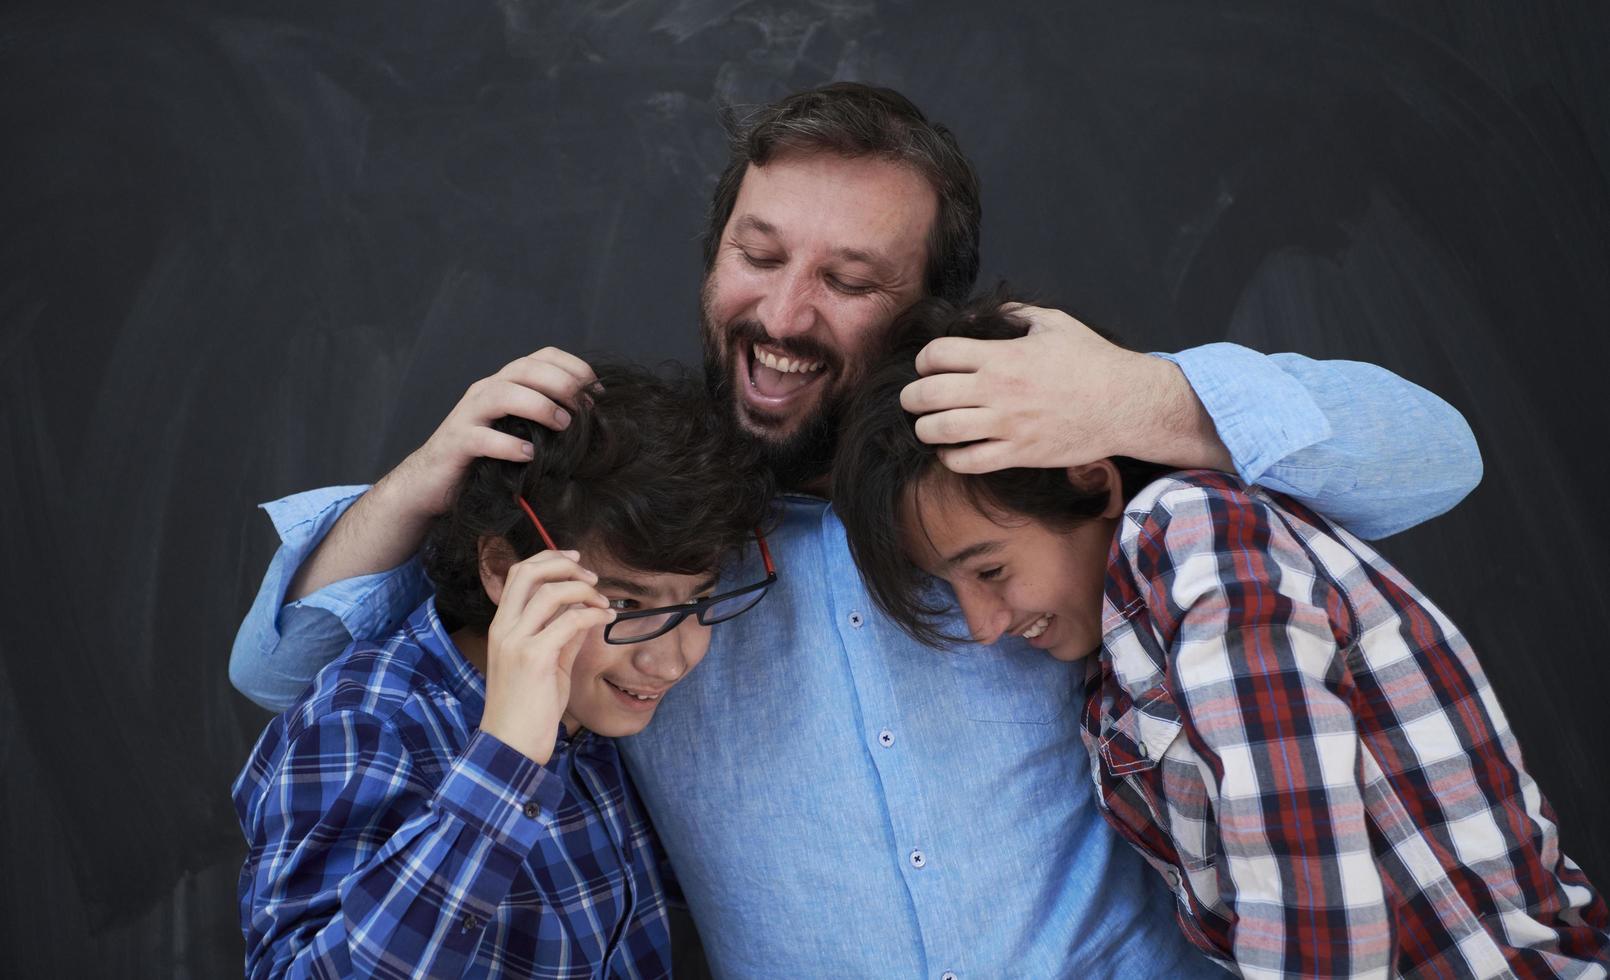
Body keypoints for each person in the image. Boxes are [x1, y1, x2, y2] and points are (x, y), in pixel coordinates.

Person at [229, 84, 1485, 975]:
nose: (781, 312)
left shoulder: (1043, 462)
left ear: (928, 305)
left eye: (849, 279)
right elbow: (284, 670)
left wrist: (1139, 394)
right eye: (756, 254)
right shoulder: (643, 521)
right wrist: (428, 475)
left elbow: (1439, 455)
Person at [831, 294, 1609, 977]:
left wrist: (1142, 394)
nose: (982, 626)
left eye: (991, 572)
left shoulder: (1185, 530)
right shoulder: (1113, 673)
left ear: (1091, 481)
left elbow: (1309, 887)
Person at [233, 366, 776, 978]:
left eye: (698, 602)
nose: (671, 659)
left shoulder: (601, 720)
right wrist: (506, 762)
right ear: (499, 567)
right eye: (624, 605)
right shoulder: (365, 726)